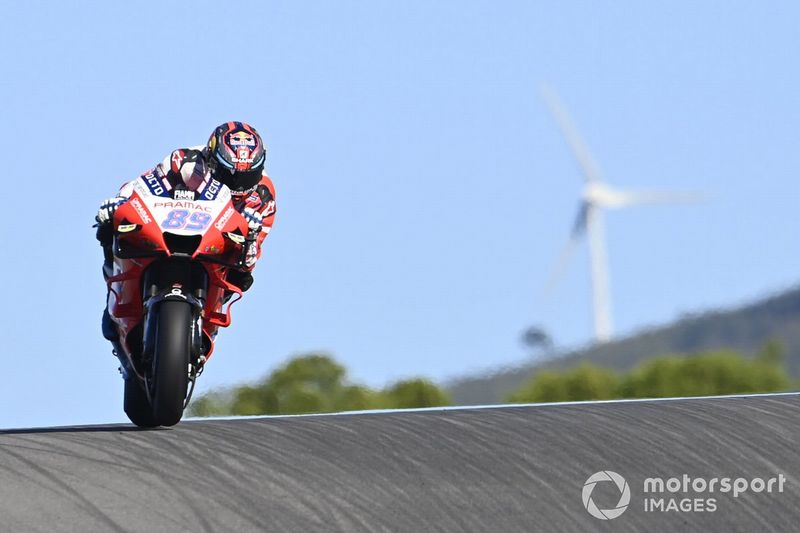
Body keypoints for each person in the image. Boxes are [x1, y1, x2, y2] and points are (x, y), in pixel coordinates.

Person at [95, 121, 276, 347]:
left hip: (217, 248)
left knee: (243, 277)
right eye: (226, 175)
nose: (237, 186)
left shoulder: (264, 197)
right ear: (211, 160)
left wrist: (250, 235)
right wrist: (121, 203)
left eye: (246, 178)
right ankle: (115, 293)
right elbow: (140, 186)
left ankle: (207, 320)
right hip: (168, 229)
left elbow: (251, 259)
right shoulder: (185, 162)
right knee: (109, 225)